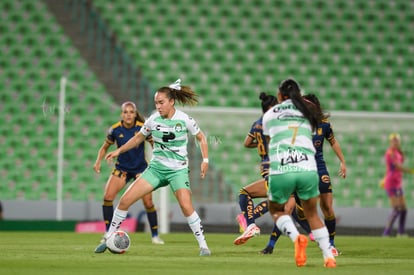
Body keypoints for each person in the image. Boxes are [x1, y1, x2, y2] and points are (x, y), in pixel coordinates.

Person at [95, 79, 211, 256]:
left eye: (161, 102)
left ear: (171, 101)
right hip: (156, 169)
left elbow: (201, 138)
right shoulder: (152, 120)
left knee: (186, 207)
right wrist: (118, 151)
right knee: (125, 201)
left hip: (177, 170)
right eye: (156, 102)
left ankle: (203, 246)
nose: (158, 106)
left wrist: (205, 160)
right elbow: (136, 140)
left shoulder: (184, 119)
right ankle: (108, 237)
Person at [262, 78, 336, 268]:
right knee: (312, 214)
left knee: (277, 210)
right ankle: (329, 256)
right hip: (308, 169)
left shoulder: (270, 114)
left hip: (282, 169)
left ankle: (297, 239)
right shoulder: (308, 113)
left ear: (279, 95)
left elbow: (271, 141)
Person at [233, 92, 312, 252]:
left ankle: (250, 223)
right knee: (284, 207)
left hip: (271, 171)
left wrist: (261, 145)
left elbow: (247, 143)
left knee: (266, 200)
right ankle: (310, 238)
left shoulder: (257, 124)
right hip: (287, 168)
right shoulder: (279, 122)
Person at [93, 101, 164, 253]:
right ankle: (108, 232)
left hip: (140, 169)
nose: (128, 115)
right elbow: (105, 147)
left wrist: (159, 160)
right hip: (122, 169)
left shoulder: (142, 127)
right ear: (122, 114)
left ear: (134, 113)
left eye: (131, 112)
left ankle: (155, 236)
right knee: (107, 197)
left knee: (149, 202)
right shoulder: (114, 129)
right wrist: (98, 161)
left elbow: (154, 144)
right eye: (126, 112)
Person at [301, 93, 347, 256]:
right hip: (302, 169)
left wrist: (342, 161)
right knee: (300, 208)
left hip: (319, 169)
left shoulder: (324, 125)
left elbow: (333, 142)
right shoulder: (298, 124)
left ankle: (331, 244)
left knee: (327, 207)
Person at [382, 132, 413, 237]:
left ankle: (401, 232)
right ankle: (386, 233)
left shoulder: (398, 152)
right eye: (393, 140)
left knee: (404, 209)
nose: (395, 142)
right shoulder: (390, 153)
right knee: (396, 209)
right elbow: (397, 167)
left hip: (398, 183)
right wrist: (410, 171)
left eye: (397, 140)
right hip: (391, 183)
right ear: (390, 142)